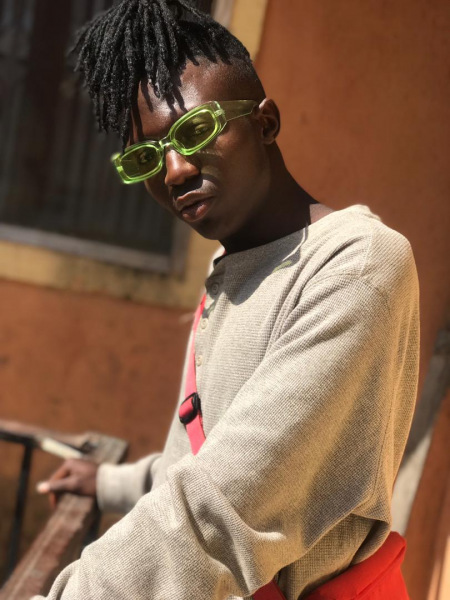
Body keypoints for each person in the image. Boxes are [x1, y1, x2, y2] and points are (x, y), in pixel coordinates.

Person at [35, 0, 419, 598]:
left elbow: (222, 509)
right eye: (146, 158)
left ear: (265, 123)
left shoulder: (354, 266)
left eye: (196, 131)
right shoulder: (228, 269)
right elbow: (207, 456)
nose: (175, 171)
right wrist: (111, 483)